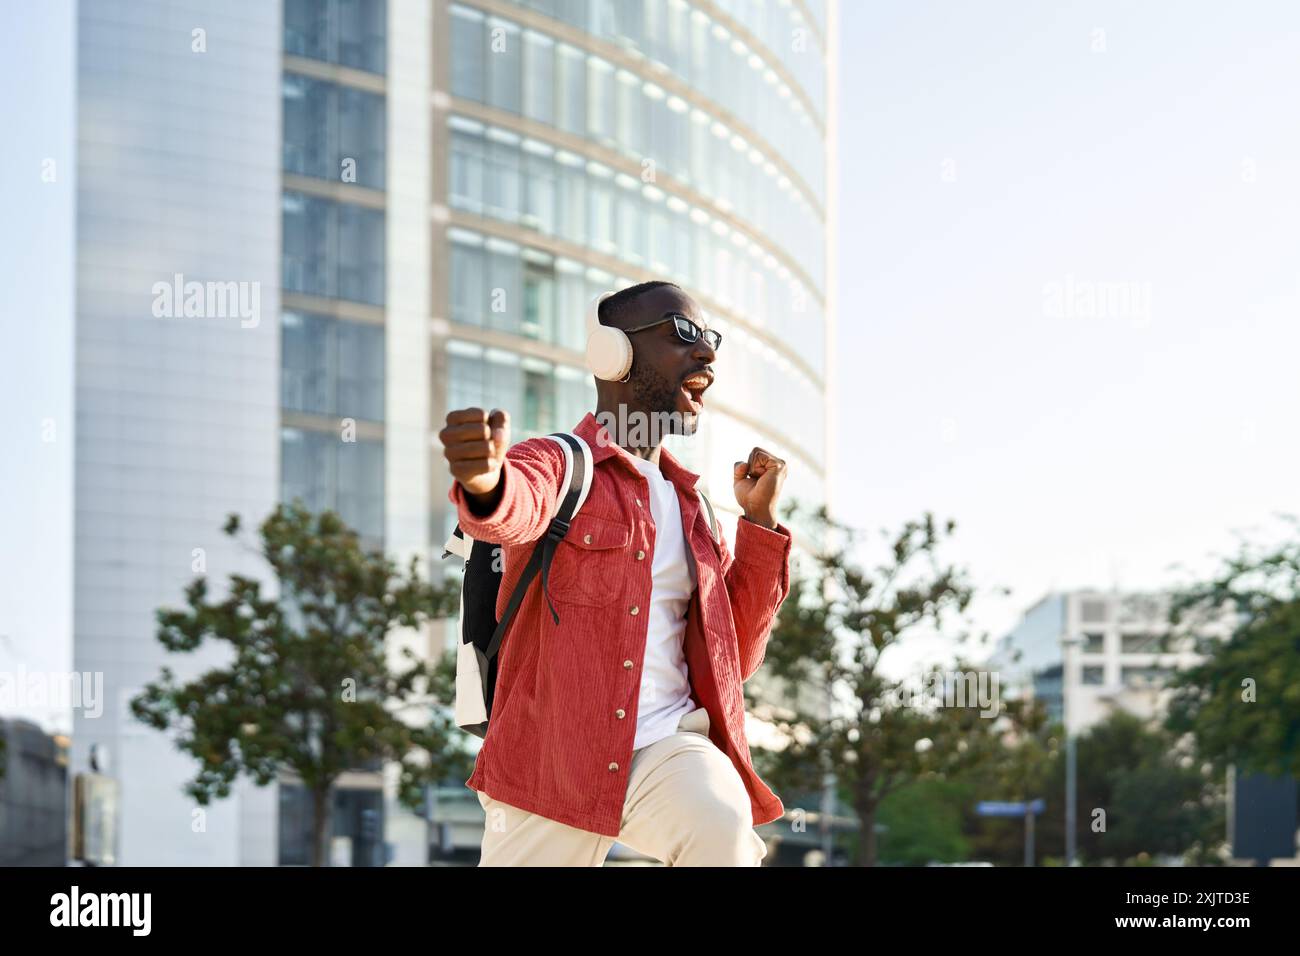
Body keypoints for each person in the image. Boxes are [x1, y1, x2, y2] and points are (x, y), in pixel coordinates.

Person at [438, 280, 793, 866]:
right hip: (552, 757)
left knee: (720, 829)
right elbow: (515, 503)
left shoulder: (694, 507)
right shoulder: (560, 464)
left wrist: (758, 525)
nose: (705, 353)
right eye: (682, 334)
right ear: (614, 355)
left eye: (710, 340)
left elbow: (736, 657)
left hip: (667, 747)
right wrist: (485, 484)